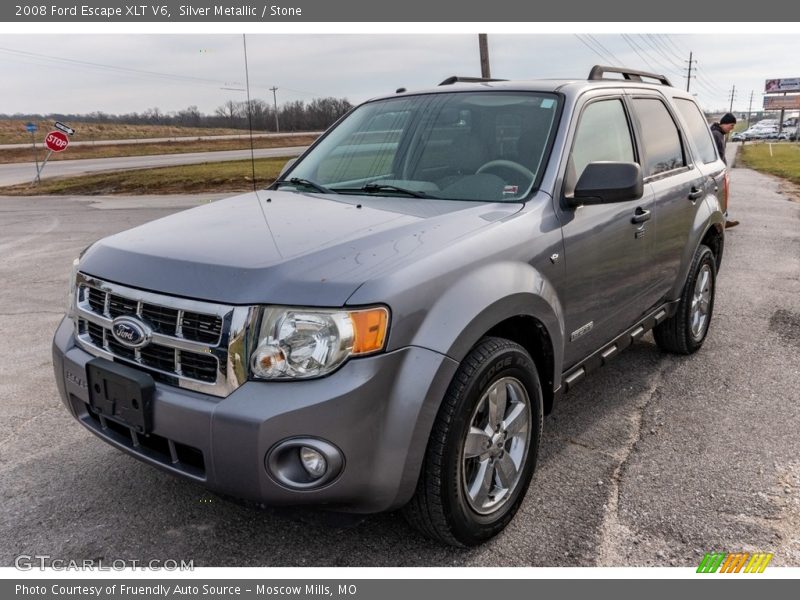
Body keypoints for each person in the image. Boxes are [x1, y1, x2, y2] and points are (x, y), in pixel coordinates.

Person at [711, 112, 739, 228]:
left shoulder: (719, 133)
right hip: (716, 174)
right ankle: (720, 222)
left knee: (721, 197)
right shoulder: (716, 134)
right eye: (731, 126)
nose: (731, 129)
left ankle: (723, 220)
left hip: (719, 172)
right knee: (719, 198)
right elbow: (715, 156)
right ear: (724, 123)